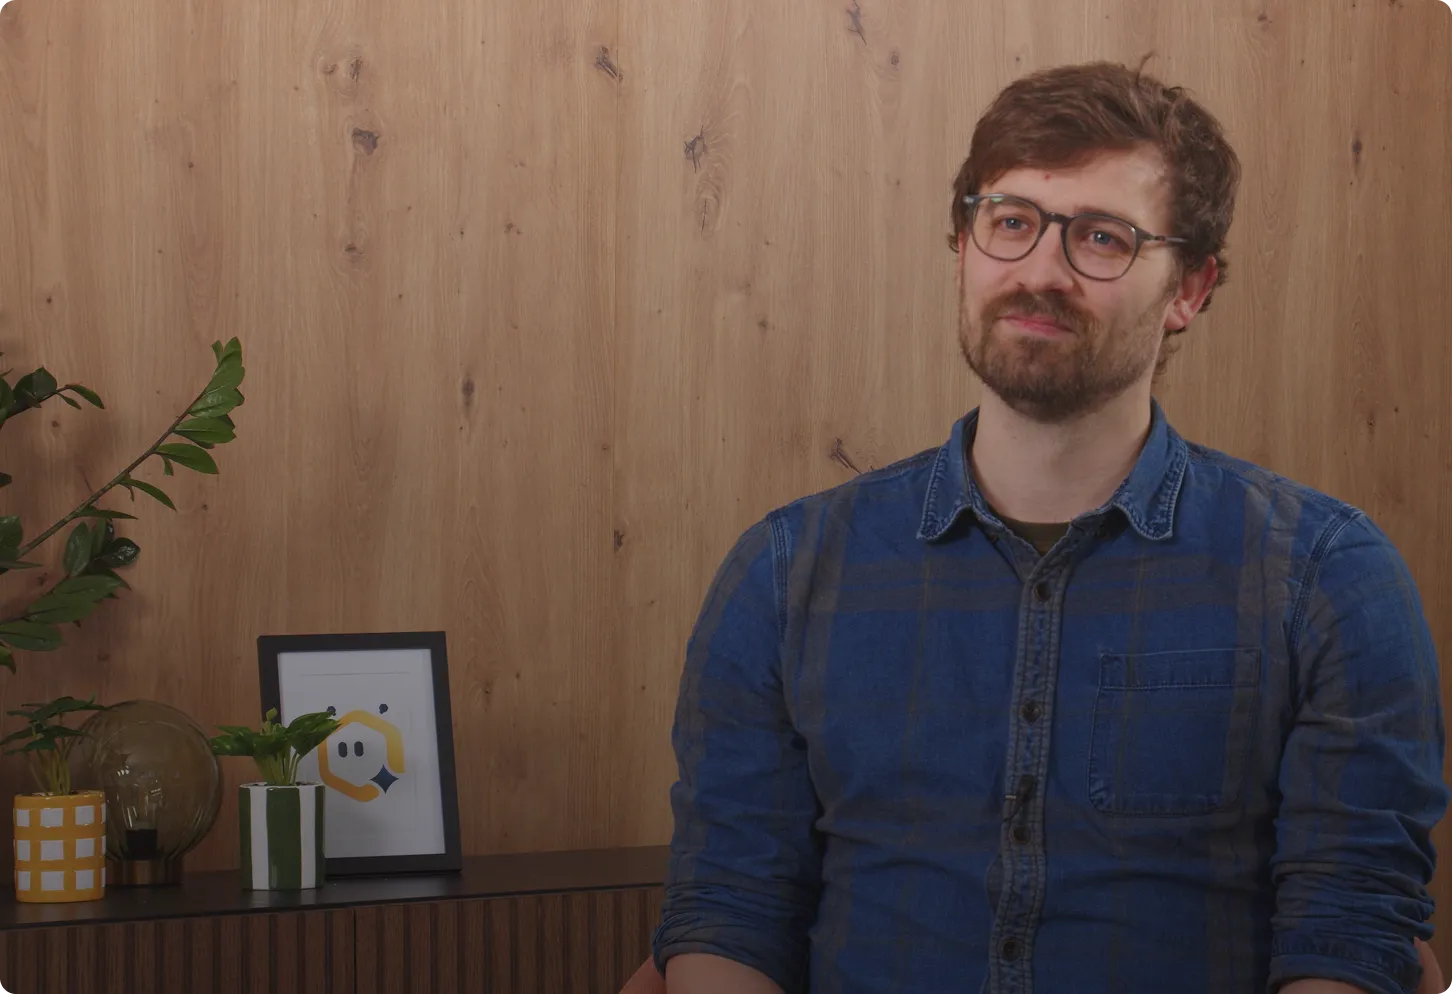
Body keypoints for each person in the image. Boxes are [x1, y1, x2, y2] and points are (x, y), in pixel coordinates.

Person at [650, 59, 1449, 994]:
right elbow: (732, 908)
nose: (1040, 272)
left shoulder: (1327, 576)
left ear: (1189, 288)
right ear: (962, 241)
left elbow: (1350, 927)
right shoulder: (783, 572)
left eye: (1102, 238)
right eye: (1012, 221)